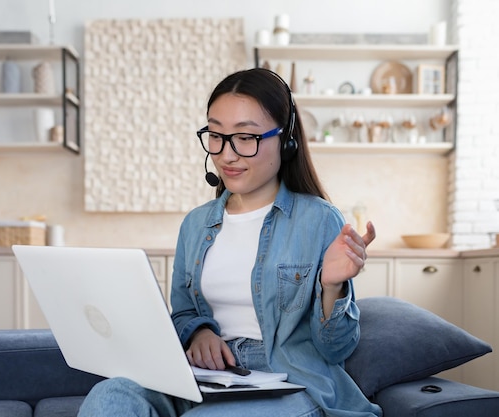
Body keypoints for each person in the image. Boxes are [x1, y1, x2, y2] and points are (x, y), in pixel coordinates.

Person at [78, 68, 381, 417]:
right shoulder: (196, 224)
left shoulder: (320, 220)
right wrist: (198, 334)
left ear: (286, 140)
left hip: (287, 382)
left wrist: (332, 286)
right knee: (110, 395)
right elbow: (184, 311)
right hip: (204, 377)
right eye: (216, 135)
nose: (226, 155)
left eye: (246, 137)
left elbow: (336, 349)